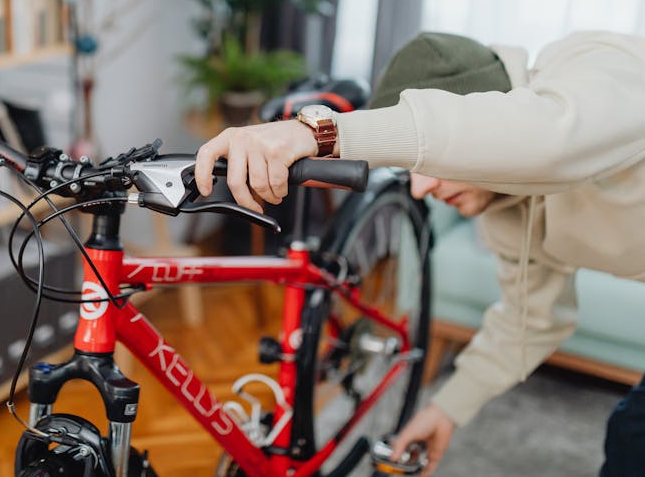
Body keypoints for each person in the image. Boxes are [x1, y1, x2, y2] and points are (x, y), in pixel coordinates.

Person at [194, 31, 645, 476]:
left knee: (630, 442)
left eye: (435, 166)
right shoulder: (507, 213)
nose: (421, 188)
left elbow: (548, 142)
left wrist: (323, 134)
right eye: (413, 171)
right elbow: (534, 319)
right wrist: (446, 410)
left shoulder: (599, 64)